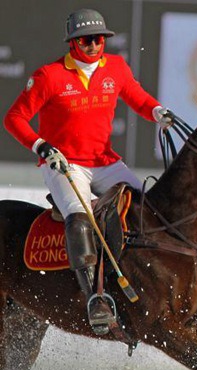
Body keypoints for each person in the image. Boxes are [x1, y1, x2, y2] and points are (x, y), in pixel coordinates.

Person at [3, 8, 173, 334]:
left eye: (98, 39)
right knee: (80, 219)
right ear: (73, 42)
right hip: (66, 165)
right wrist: (42, 146)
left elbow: (136, 97)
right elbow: (14, 119)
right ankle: (95, 298)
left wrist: (157, 111)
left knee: (148, 210)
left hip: (105, 161)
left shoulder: (116, 68)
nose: (94, 45)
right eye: (86, 40)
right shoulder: (48, 76)